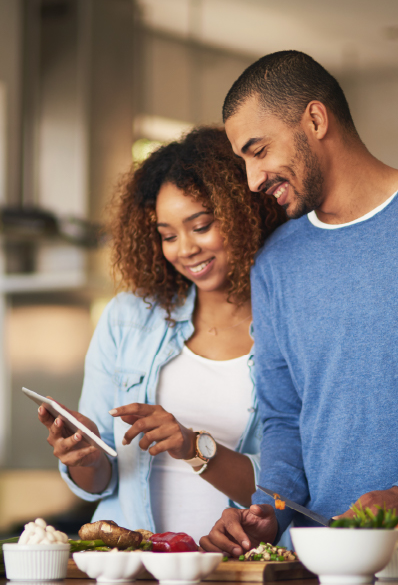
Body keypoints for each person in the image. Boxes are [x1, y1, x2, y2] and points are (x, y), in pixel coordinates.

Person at [200, 51, 398, 571]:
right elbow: (285, 418)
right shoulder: (275, 263)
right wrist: (267, 508)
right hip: (319, 564)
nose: (252, 180)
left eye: (259, 150)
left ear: (315, 120)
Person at [37, 126, 285, 543]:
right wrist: (84, 453)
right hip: (134, 566)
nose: (183, 249)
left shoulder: (290, 325)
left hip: (234, 566)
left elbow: (287, 492)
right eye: (167, 235)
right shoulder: (128, 319)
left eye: (201, 226)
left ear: (245, 213)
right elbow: (100, 480)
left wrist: (193, 445)